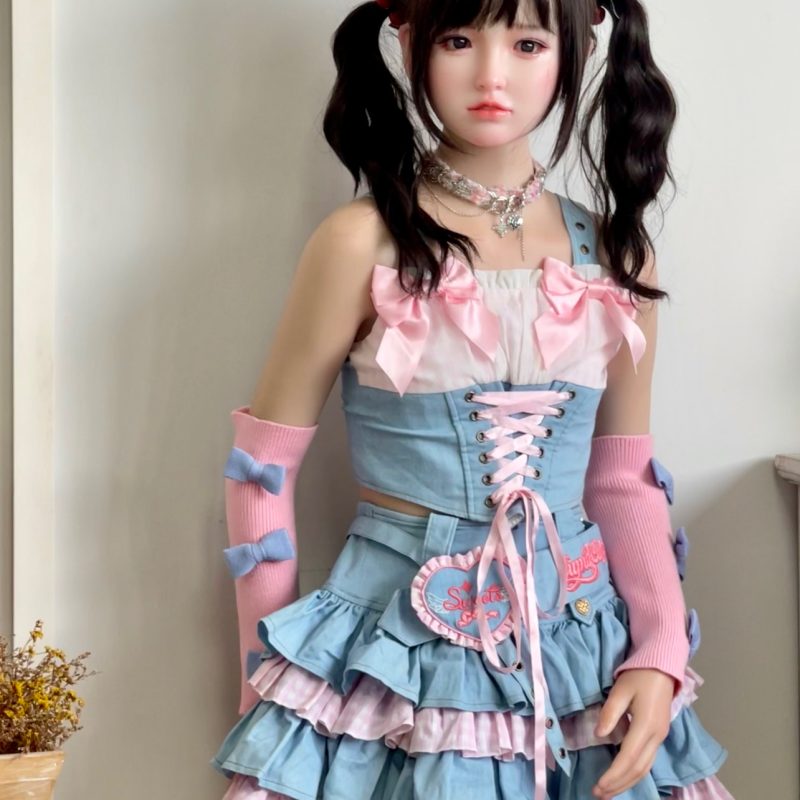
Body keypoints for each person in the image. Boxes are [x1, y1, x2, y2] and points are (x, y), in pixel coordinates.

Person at [211, 1, 733, 798]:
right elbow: (261, 473)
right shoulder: (359, 243)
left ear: (572, 52)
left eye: (527, 43)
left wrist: (661, 650)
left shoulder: (617, 254)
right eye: (459, 40)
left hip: (585, 655)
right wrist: (268, 681)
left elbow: (621, 479)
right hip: (394, 654)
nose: (492, 75)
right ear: (409, 42)